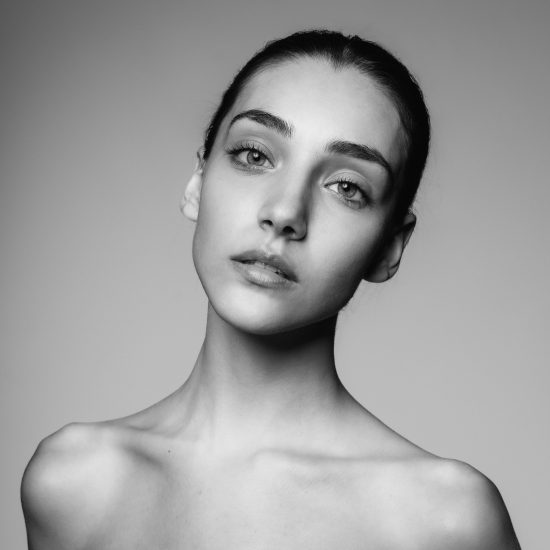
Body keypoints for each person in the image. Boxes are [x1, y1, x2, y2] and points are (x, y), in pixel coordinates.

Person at [20, 30, 521, 549]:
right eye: (254, 155)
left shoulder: (445, 520)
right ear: (198, 182)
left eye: (347, 187)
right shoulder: (75, 484)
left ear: (389, 246)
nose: (284, 212)